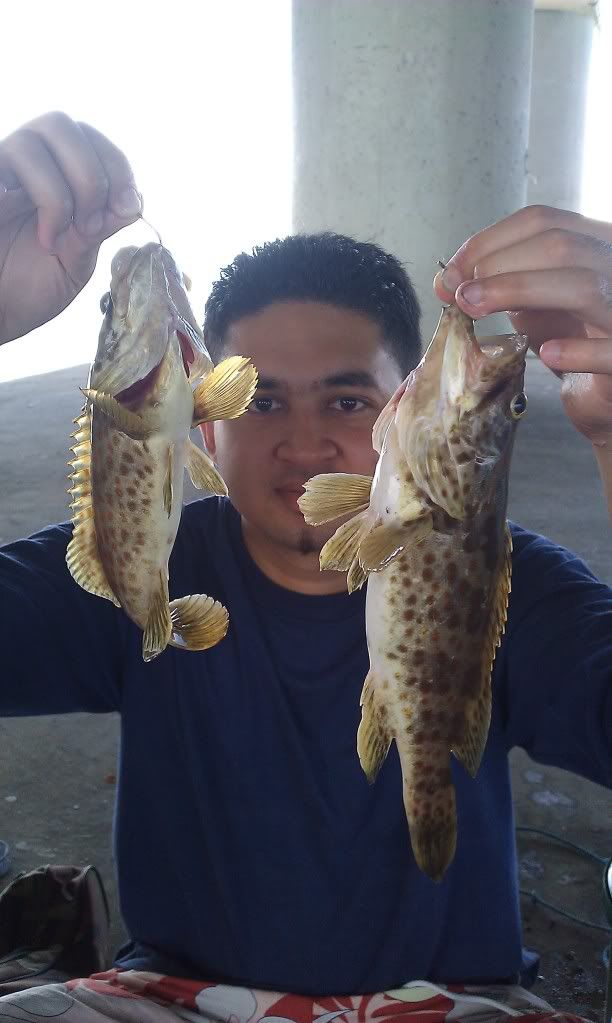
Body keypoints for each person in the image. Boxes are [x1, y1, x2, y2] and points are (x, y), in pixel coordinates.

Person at [0, 112, 609, 1023]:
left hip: (450, 1001)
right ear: (205, 421)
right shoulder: (138, 566)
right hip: (173, 997)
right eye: (261, 400)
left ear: (406, 406)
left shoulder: (510, 583)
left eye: (350, 399)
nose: (305, 442)